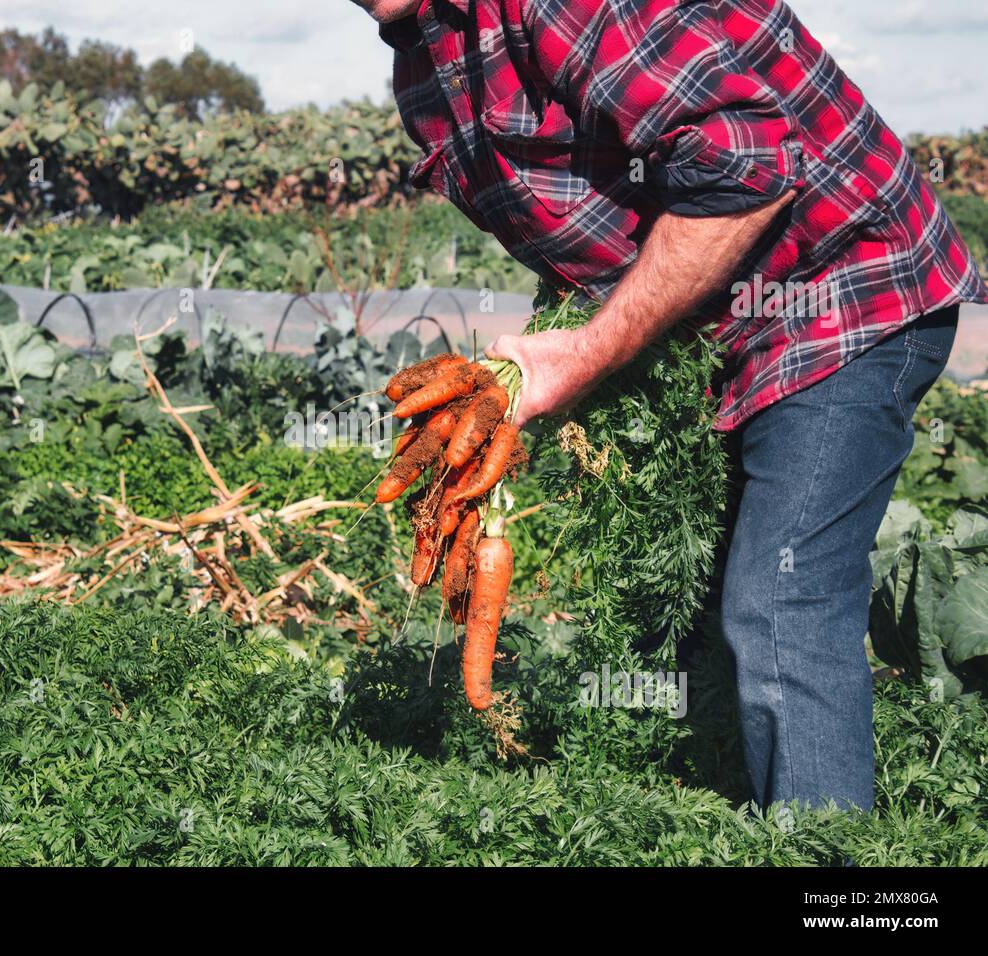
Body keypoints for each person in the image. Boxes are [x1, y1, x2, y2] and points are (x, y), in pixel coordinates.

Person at [351, 0, 987, 810]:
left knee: (780, 597)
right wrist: (531, 369)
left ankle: (831, 866)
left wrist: (586, 354)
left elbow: (745, 169)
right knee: (692, 604)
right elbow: (590, 230)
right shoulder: (425, 64)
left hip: (840, 290)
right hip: (709, 329)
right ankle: (730, 808)